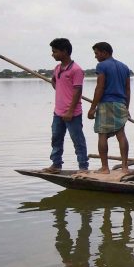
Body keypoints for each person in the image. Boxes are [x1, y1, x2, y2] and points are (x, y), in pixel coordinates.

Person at [44, 38, 88, 173]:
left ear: (64, 51)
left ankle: (83, 167)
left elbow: (77, 91)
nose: (53, 54)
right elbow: (55, 82)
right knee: (56, 138)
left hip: (72, 113)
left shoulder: (76, 70)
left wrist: (70, 111)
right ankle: (56, 164)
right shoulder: (57, 68)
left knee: (77, 140)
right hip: (58, 112)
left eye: (55, 52)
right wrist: (57, 85)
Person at [87, 41, 131, 175]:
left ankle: (105, 168)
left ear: (104, 52)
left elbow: (100, 87)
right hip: (121, 103)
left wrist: (93, 107)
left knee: (102, 134)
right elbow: (128, 90)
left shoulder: (101, 66)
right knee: (121, 134)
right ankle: (124, 167)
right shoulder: (124, 67)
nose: (95, 56)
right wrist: (126, 107)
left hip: (106, 103)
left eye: (97, 53)